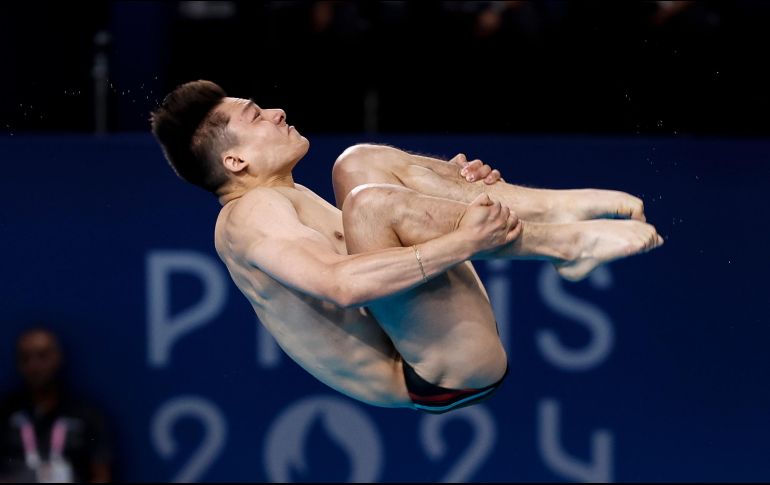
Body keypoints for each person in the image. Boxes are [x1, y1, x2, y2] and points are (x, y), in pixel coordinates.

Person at [150, 80, 662, 413]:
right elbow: (341, 284)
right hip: (431, 372)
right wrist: (464, 238)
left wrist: (456, 188)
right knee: (371, 203)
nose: (278, 112)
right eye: (257, 116)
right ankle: (563, 243)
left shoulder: (283, 196)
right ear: (235, 162)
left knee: (360, 163)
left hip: (426, 336)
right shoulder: (247, 217)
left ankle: (553, 210)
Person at [0, 328, 112, 482]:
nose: (34, 366)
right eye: (25, 358)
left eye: (42, 356)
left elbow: (101, 476)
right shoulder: (4, 413)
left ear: (58, 358)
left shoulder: (87, 414)